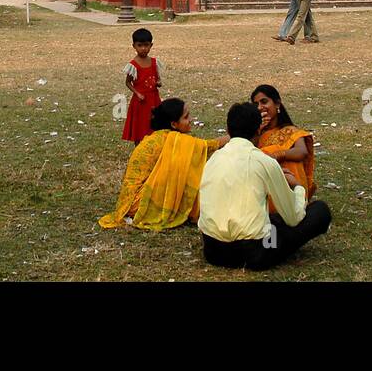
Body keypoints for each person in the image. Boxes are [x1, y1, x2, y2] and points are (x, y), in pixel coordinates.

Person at [197, 102, 332, 271]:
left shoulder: (214, 159)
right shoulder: (263, 161)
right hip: (255, 253)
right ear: (258, 130)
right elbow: (293, 216)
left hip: (213, 251)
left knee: (272, 219)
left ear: (228, 129)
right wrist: (298, 187)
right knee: (319, 211)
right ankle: (270, 247)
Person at [99, 98, 228, 230]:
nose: (190, 120)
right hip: (139, 204)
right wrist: (236, 135)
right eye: (186, 117)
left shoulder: (161, 137)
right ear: (173, 124)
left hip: (129, 203)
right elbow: (206, 146)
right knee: (183, 167)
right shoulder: (169, 140)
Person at [252, 84, 316, 199]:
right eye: (256, 104)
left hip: (286, 185)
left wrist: (277, 155)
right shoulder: (254, 133)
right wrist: (256, 129)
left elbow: (301, 151)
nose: (260, 107)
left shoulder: (290, 131)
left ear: (277, 104)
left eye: (264, 102)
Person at [121, 28, 162, 144]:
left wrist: (159, 83)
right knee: (140, 127)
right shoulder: (133, 65)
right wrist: (137, 93)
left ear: (151, 45)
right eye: (140, 45)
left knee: (154, 126)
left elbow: (157, 79)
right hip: (140, 102)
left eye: (146, 45)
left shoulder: (154, 62)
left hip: (154, 100)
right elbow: (128, 82)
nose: (143, 48)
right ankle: (138, 150)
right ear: (134, 46)